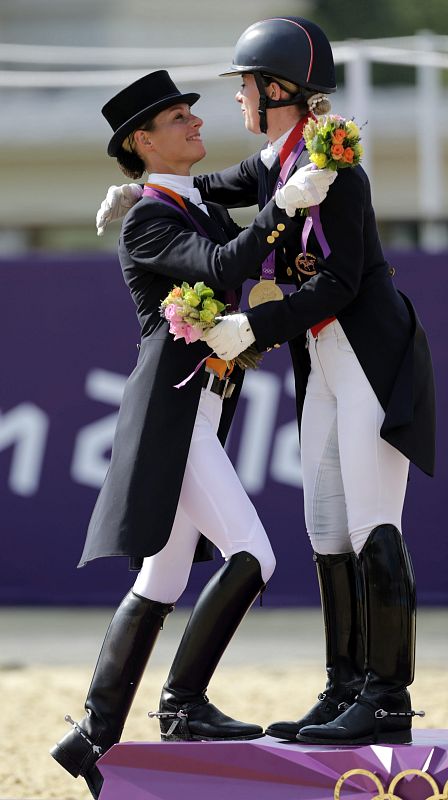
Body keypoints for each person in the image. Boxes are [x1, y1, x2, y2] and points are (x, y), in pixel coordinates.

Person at [95, 18, 435, 746]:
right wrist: (137, 193)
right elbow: (209, 188)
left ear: (276, 88)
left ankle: (388, 697)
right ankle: (345, 684)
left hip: (369, 353)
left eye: (246, 85)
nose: (239, 98)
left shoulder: (331, 169)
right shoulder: (278, 162)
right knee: (324, 529)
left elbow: (341, 282)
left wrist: (252, 330)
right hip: (323, 363)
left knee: (372, 521)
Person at [49, 69, 334, 799]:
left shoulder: (189, 198)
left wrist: (277, 193)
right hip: (174, 415)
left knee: (164, 577)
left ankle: (91, 736)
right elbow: (221, 264)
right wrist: (280, 210)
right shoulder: (152, 218)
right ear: (142, 141)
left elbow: (240, 192)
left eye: (192, 115)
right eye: (178, 120)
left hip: (203, 405)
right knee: (255, 554)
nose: (196, 125)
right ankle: (182, 706)